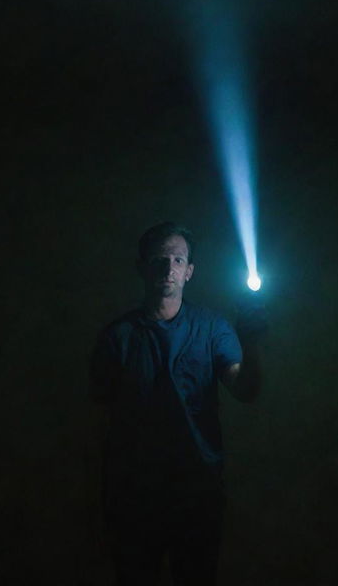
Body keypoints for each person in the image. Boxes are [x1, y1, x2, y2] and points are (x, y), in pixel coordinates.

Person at [89, 221, 265, 586]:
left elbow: (244, 389)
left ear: (189, 271)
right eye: (159, 260)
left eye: (178, 259)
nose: (169, 269)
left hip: (196, 493)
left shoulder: (213, 328)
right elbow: (99, 417)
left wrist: (252, 344)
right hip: (134, 495)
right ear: (143, 267)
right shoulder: (117, 337)